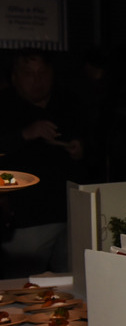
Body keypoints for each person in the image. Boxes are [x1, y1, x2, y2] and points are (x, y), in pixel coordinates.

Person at [0, 50, 86, 277]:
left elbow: (96, 142)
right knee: (21, 283)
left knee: (72, 282)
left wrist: (80, 148)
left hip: (70, 212)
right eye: (29, 73)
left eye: (42, 73)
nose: (37, 80)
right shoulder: (5, 106)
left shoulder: (68, 102)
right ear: (15, 77)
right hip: (26, 218)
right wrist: (25, 134)